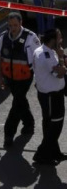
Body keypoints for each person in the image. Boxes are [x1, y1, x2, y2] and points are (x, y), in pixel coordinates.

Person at [0, 11, 40, 148]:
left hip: (25, 77)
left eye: (15, 25)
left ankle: (8, 134)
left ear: (21, 23)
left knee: (16, 104)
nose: (12, 28)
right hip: (10, 78)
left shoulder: (31, 37)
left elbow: (39, 59)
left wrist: (39, 79)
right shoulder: (4, 37)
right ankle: (29, 124)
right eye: (10, 25)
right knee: (20, 101)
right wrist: (0, 77)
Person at [32, 28, 67, 165]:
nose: (61, 40)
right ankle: (41, 154)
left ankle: (55, 153)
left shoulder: (40, 51)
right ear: (53, 40)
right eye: (59, 38)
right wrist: (61, 57)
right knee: (55, 126)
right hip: (53, 97)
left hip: (45, 94)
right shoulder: (48, 56)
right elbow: (60, 73)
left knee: (49, 124)